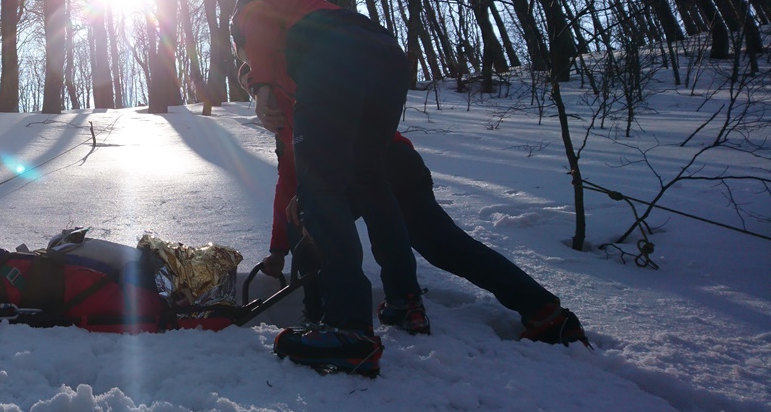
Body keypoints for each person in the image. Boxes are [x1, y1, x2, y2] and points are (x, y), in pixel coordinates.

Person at [243, 64, 588, 347]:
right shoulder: (286, 134)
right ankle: (544, 313)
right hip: (398, 164)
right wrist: (277, 249)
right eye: (249, 91)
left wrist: (310, 198)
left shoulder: (308, 96)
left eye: (257, 86)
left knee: (315, 224)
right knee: (444, 246)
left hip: (380, 163)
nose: (258, 99)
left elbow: (341, 139)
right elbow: (286, 187)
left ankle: (322, 321)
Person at [229, 0, 418, 377]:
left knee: (319, 189)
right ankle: (404, 299)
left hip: (336, 55)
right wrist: (278, 248)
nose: (250, 73)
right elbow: (288, 176)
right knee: (369, 178)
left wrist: (261, 83)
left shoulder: (251, 11)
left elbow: (259, 26)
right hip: (385, 57)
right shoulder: (301, 27)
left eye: (245, 64)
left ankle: (349, 327)